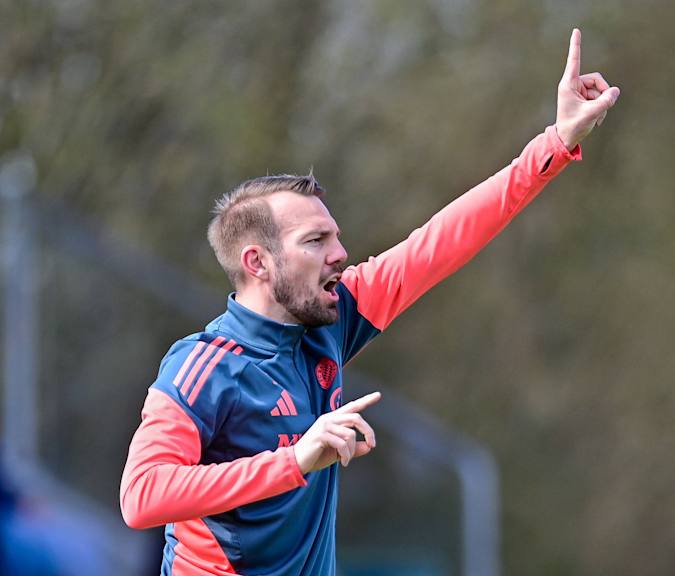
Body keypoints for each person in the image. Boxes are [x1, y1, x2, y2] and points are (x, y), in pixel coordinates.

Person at [120, 28, 619, 575]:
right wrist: (295, 459)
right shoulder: (203, 366)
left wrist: (555, 141)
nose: (340, 253)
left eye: (335, 236)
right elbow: (141, 496)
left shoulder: (331, 318)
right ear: (258, 263)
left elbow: (441, 241)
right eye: (315, 241)